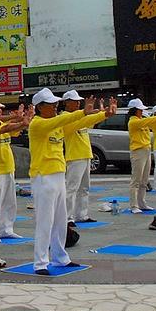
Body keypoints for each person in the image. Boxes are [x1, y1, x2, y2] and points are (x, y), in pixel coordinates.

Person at [28, 89, 110, 275]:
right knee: (45, 222)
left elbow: (80, 123)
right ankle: (40, 262)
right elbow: (64, 119)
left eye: (55, 103)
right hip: (43, 177)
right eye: (50, 104)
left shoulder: (57, 125)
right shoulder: (37, 124)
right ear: (40, 107)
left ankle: (60, 258)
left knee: (60, 221)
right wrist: (82, 112)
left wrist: (104, 114)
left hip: (57, 175)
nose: (55, 106)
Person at [0, 99, 30, 243]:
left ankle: (6, 229)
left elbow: (12, 130)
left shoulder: (1, 124)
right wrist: (21, 122)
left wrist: (24, 119)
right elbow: (5, 129)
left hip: (8, 168)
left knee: (10, 202)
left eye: (1, 108)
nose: (0, 111)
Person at [62, 89, 110, 224]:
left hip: (85, 154)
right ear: (67, 103)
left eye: (78, 101)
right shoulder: (65, 117)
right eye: (74, 101)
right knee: (72, 188)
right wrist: (97, 113)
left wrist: (101, 112)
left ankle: (81, 215)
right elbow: (84, 121)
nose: (77, 103)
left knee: (84, 188)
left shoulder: (79, 116)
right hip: (75, 156)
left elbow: (90, 122)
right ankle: (67, 217)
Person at [126, 98, 156, 214]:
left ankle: (142, 203)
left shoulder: (142, 119)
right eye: (140, 110)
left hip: (146, 150)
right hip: (138, 151)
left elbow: (152, 123)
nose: (142, 112)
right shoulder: (133, 121)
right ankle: (134, 205)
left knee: (144, 179)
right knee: (136, 179)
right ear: (135, 110)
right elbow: (149, 121)